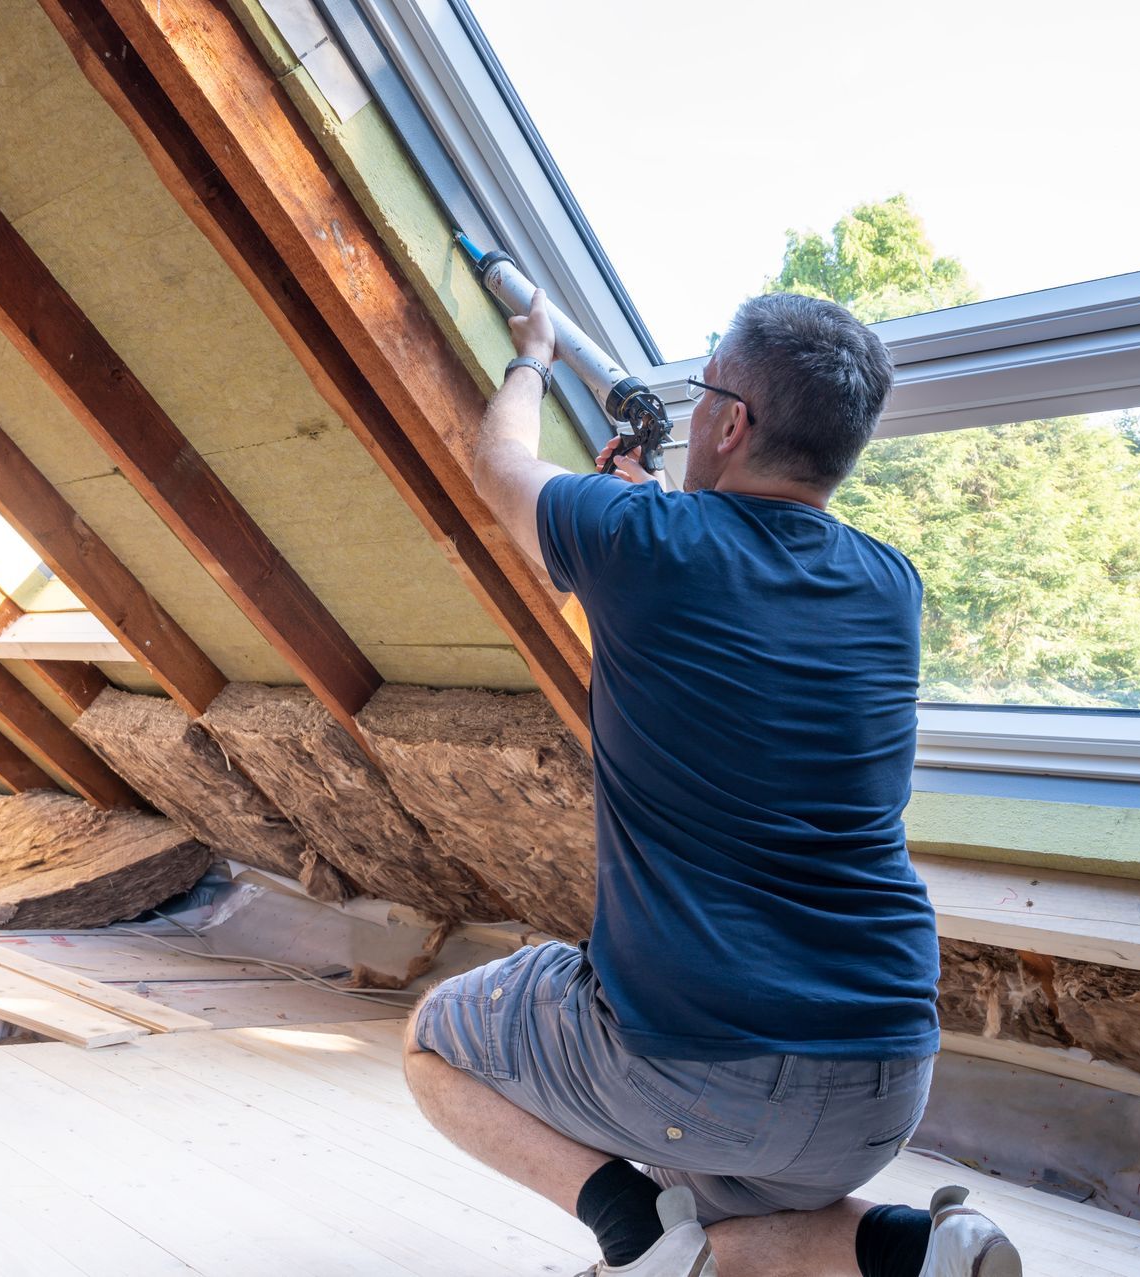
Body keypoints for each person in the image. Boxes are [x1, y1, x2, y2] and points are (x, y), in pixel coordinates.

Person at [402, 287, 1020, 1277]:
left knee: (436, 1040)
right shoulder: (889, 580)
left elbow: (500, 467)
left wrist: (534, 354)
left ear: (731, 422)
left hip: (705, 1069)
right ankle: (911, 1245)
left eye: (702, 395)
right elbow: (737, 590)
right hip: (885, 1075)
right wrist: (645, 508)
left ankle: (629, 1230)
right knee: (715, 1211)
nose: (691, 414)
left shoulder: (640, 542)